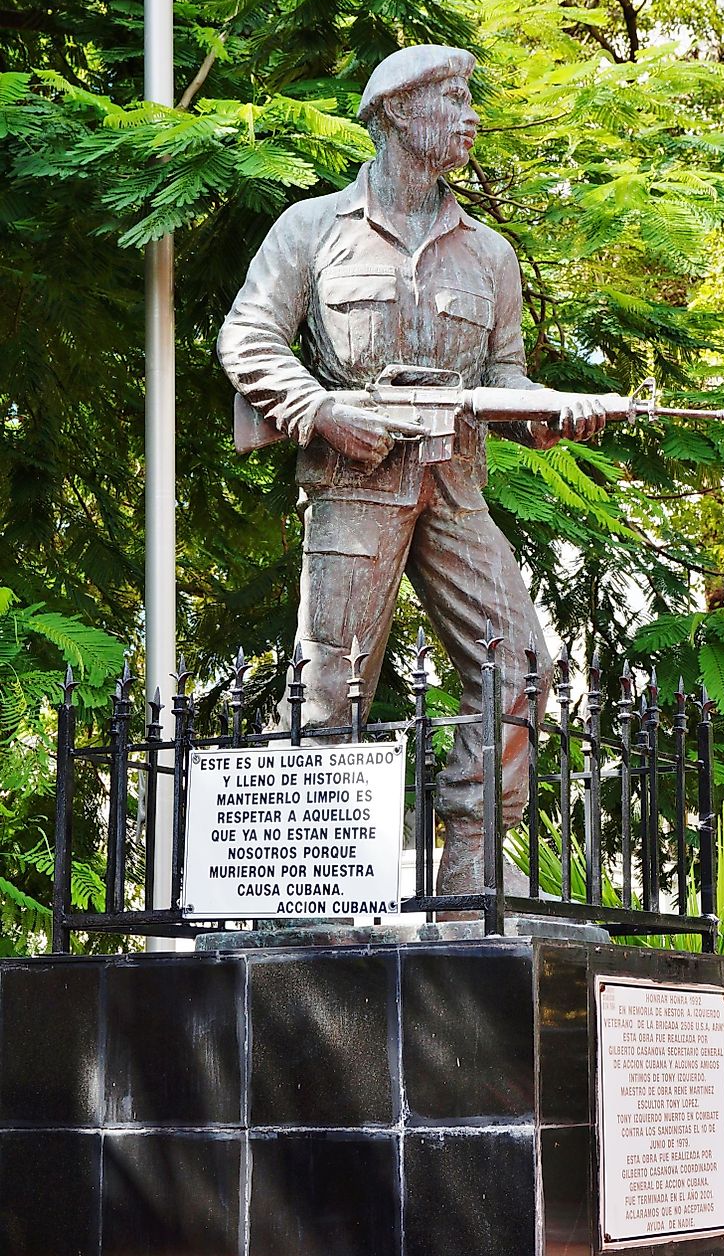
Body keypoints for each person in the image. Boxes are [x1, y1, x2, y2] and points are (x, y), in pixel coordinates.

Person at [217, 44, 605, 902]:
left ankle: (474, 860)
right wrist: (319, 411)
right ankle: (315, 884)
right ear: (396, 111)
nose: (470, 117)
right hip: (354, 483)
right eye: (453, 100)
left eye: (470, 100)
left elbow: (502, 379)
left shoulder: (489, 254)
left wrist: (553, 410)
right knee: (333, 676)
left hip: (455, 485)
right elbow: (247, 339)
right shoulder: (312, 228)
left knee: (521, 664)